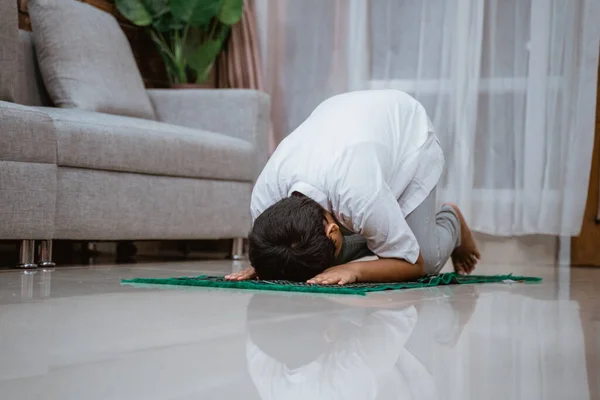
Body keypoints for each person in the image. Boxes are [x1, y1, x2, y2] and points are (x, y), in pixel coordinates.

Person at [226, 90, 480, 284]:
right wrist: (269, 264)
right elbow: (283, 245)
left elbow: (413, 262)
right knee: (318, 253)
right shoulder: (265, 202)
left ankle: (452, 221)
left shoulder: (361, 196)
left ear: (333, 230)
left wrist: (355, 270)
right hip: (348, 125)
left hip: (409, 133)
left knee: (429, 261)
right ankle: (383, 232)